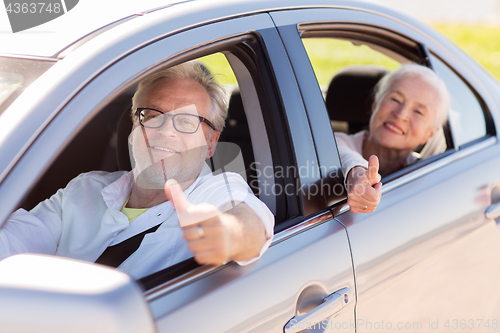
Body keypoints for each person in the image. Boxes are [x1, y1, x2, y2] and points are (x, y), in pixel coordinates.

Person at [0, 62, 274, 278]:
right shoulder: (85, 189)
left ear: (211, 144)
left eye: (187, 121)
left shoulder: (215, 191)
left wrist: (228, 231)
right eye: (153, 116)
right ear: (134, 127)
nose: (166, 131)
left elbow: (253, 223)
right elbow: (13, 240)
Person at [335, 64, 450, 213]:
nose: (401, 114)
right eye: (395, 99)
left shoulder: (424, 177)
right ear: (376, 104)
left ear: (429, 134)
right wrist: (356, 175)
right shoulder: (337, 142)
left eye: (418, 112)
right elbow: (342, 155)